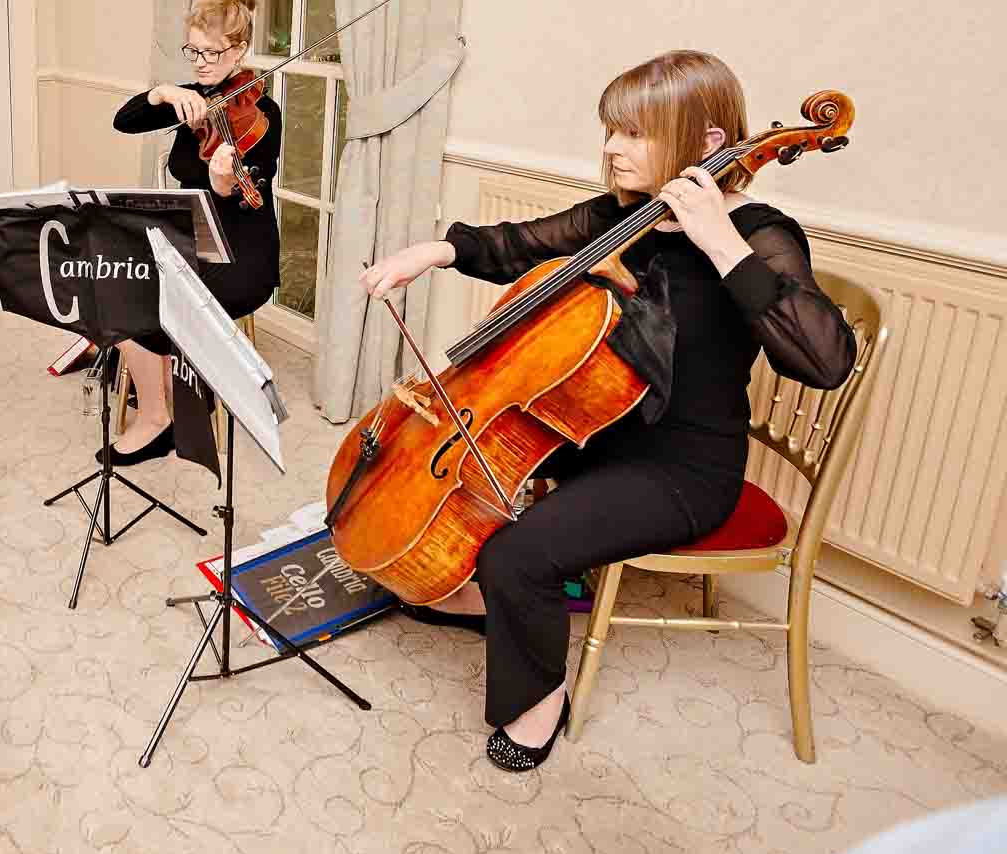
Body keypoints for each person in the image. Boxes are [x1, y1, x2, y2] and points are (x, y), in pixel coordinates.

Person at [358, 50, 857, 772]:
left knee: (518, 552)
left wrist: (720, 241)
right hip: (596, 423)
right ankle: (485, 594)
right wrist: (431, 252)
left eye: (633, 133)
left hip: (683, 464)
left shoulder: (760, 231)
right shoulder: (623, 216)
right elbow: (520, 243)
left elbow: (824, 360)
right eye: (611, 130)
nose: (612, 149)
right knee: (458, 456)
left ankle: (538, 701)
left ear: (710, 142)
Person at [107, 0, 282, 465]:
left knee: (152, 295)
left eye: (212, 52)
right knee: (113, 281)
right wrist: (163, 92)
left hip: (240, 251)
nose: (201, 62)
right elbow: (124, 121)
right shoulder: (189, 98)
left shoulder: (262, 113)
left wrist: (222, 182)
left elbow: (246, 198)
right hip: (187, 237)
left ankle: (166, 408)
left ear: (240, 49)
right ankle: (162, 404)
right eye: (194, 51)